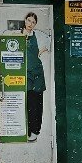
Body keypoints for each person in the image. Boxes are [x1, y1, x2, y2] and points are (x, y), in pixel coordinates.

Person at [22, 12, 49, 142]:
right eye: (29, 20)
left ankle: (35, 131)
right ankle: (27, 130)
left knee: (37, 103)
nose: (30, 24)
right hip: (25, 73)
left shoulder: (38, 35)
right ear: (25, 20)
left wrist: (41, 51)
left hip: (37, 73)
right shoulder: (18, 35)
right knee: (27, 102)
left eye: (33, 22)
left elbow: (49, 41)